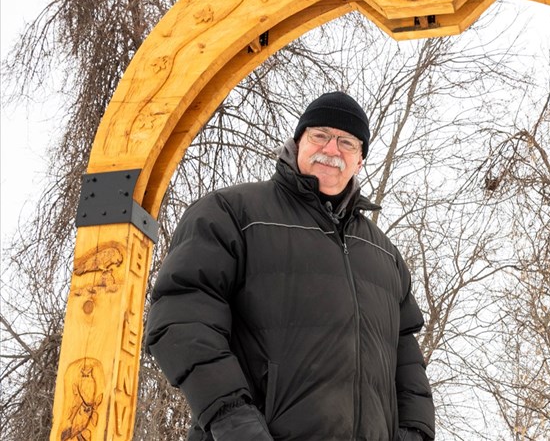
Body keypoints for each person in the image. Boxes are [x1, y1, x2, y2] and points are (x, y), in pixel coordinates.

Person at [145, 92, 435, 441]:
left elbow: (405, 356)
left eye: (346, 142)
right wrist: (234, 422)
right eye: (320, 135)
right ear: (297, 143)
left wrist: (415, 433)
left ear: (360, 161)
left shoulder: (383, 253)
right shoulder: (232, 213)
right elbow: (182, 317)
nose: (331, 149)